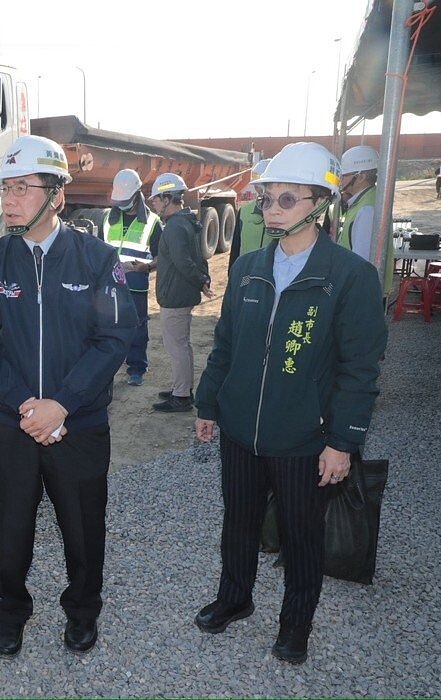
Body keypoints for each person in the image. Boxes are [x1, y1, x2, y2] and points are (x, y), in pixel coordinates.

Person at [192, 141, 387, 665]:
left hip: (304, 439)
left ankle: (295, 623)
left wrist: (342, 442)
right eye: (266, 200)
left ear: (321, 203)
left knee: (301, 536)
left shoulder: (350, 277)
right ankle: (234, 598)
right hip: (240, 431)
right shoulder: (249, 267)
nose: (271, 210)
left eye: (285, 200)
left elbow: (359, 370)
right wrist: (209, 405)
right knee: (239, 521)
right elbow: (227, 344)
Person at [0, 135, 137, 657]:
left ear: (56, 194)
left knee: (83, 529)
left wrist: (62, 403)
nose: (8, 200)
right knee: (10, 531)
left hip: (78, 426)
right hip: (12, 425)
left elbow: (114, 337)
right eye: (5, 189)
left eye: (21, 188)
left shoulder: (96, 260)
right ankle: (11, 610)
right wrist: (24, 405)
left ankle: (83, 612)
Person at [146, 173, 213, 412]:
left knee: (177, 347)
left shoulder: (174, 227)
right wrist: (203, 279)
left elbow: (184, 263)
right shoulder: (186, 221)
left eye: (155, 199)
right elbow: (194, 257)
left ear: (167, 198)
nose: (153, 203)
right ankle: (181, 388)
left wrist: (201, 280)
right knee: (181, 345)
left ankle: (182, 396)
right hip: (180, 294)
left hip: (175, 296)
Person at [102, 168, 162, 386]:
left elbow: (161, 257)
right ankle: (108, 365)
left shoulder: (153, 222)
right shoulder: (108, 219)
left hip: (136, 284)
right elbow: (100, 251)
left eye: (125, 200)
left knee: (137, 327)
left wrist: (144, 267)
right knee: (109, 326)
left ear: (137, 194)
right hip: (111, 284)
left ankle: (136, 367)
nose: (121, 204)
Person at [339, 145, 393, 296]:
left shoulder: (367, 209)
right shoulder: (364, 201)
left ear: (361, 176)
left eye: (344, 176)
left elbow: (361, 261)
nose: (340, 180)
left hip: (361, 292)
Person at [227, 158, 271, 270]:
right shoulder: (244, 211)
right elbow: (236, 248)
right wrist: (232, 276)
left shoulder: (287, 215)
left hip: (270, 276)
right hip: (246, 273)